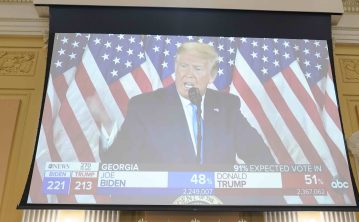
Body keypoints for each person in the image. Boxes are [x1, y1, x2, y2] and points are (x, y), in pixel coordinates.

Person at [101, 41, 274, 169]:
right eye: (183, 66)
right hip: (161, 206)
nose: (188, 75)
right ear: (175, 68)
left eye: (197, 69)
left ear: (211, 76)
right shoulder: (145, 106)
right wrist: (108, 131)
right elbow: (117, 161)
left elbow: (261, 157)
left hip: (218, 207)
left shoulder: (227, 107)